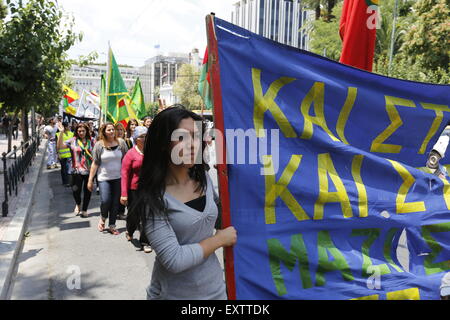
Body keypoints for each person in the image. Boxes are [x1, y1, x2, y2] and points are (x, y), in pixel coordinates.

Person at [130, 106, 237, 300]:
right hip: (172, 295)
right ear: (163, 143)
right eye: (182, 137)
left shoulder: (204, 177)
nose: (192, 145)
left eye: (196, 136)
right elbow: (174, 260)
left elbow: (220, 222)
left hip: (216, 292)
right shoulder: (153, 197)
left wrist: (231, 180)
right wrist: (219, 240)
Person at [88, 122, 128, 235]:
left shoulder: (121, 143)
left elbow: (126, 160)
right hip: (103, 178)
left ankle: (112, 225)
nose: (111, 132)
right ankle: (103, 216)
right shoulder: (99, 145)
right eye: (109, 130)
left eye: (112, 130)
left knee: (116, 202)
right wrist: (90, 180)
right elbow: (95, 163)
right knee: (106, 201)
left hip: (118, 177)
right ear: (104, 132)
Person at [120, 126, 151, 253]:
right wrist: (124, 194)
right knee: (133, 215)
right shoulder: (130, 154)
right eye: (141, 136)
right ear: (136, 138)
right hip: (134, 190)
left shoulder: (151, 152)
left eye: (146, 136)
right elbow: (124, 174)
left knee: (146, 216)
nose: (144, 139)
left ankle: (145, 242)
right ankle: (130, 229)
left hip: (149, 189)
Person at [58, 122, 95, 218]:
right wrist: (61, 132)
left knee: (88, 191)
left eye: (83, 131)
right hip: (76, 171)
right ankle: (78, 204)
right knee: (75, 191)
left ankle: (85, 210)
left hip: (89, 170)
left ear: (86, 131)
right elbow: (60, 146)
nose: (81, 133)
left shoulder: (92, 141)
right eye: (79, 131)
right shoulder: (73, 141)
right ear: (76, 131)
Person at [56, 122, 74, 187]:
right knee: (63, 169)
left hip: (69, 155)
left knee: (68, 168)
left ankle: (68, 182)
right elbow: (57, 145)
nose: (70, 127)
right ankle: (64, 181)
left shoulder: (71, 133)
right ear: (65, 127)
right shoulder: (58, 134)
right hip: (62, 155)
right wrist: (58, 153)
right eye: (69, 126)